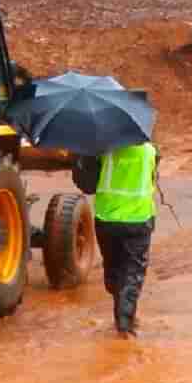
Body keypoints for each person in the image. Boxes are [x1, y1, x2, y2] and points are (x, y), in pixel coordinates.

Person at [73, 140, 159, 339]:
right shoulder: (150, 151)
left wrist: (82, 156)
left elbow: (86, 185)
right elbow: (153, 178)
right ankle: (124, 326)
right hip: (138, 220)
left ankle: (123, 317)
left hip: (107, 221)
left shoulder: (103, 151)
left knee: (114, 271)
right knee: (132, 273)